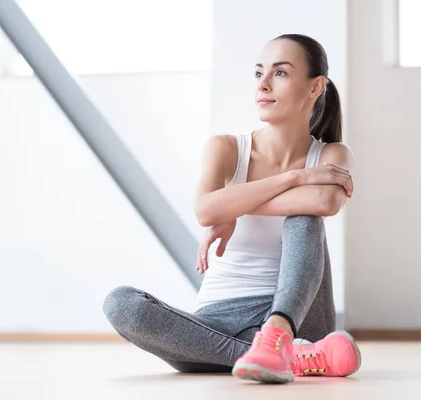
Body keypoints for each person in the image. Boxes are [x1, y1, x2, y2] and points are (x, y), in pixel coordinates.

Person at [103, 33, 361, 384]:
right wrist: (296, 177)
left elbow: (324, 201)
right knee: (121, 304)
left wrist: (235, 204)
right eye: (258, 73)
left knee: (304, 218)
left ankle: (278, 338)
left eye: (280, 73)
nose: (263, 84)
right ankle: (291, 357)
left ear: (316, 87)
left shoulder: (331, 155)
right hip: (217, 319)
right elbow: (206, 211)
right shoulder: (225, 148)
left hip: (299, 315)